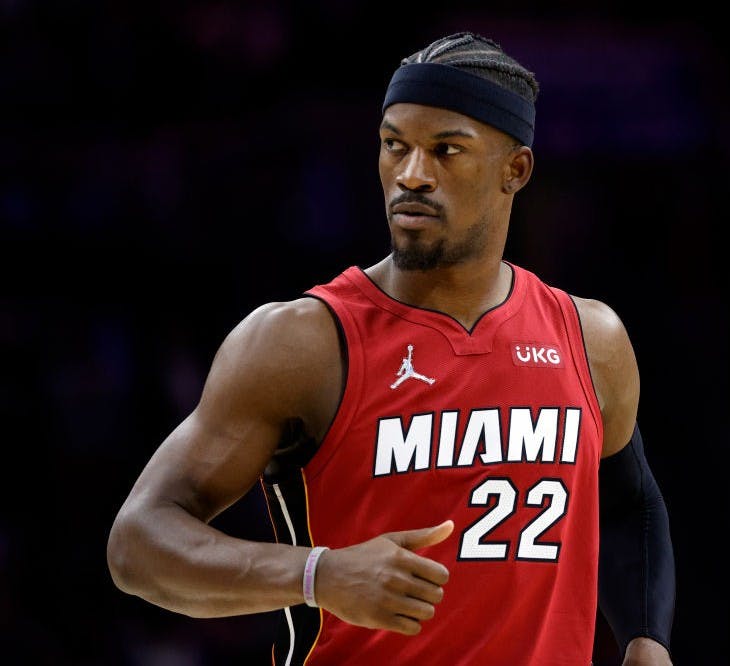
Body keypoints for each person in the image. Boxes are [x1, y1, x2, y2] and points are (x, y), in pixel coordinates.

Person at [107, 31, 676, 666]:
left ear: (515, 170)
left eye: (446, 150)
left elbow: (630, 504)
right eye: (394, 145)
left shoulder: (590, 339)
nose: (411, 175)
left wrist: (646, 639)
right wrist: (317, 574)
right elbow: (137, 543)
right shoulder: (303, 343)